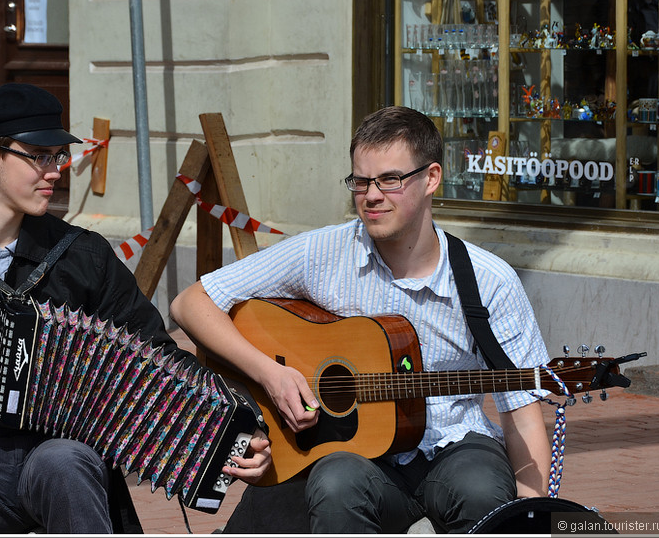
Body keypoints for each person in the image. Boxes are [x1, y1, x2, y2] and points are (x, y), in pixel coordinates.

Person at [0, 83, 270, 534]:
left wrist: (236, 424)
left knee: (67, 467)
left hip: (56, 446)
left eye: (58, 156)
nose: (55, 171)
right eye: (39, 156)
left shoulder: (83, 256)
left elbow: (157, 354)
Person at [170, 106, 552, 533]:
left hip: (456, 445)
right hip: (356, 454)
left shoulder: (489, 281)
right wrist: (271, 376)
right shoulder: (322, 253)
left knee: (482, 491)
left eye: (390, 180)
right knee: (334, 484)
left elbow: (521, 405)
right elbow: (192, 303)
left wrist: (533, 508)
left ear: (431, 179)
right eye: (361, 181)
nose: (371, 195)